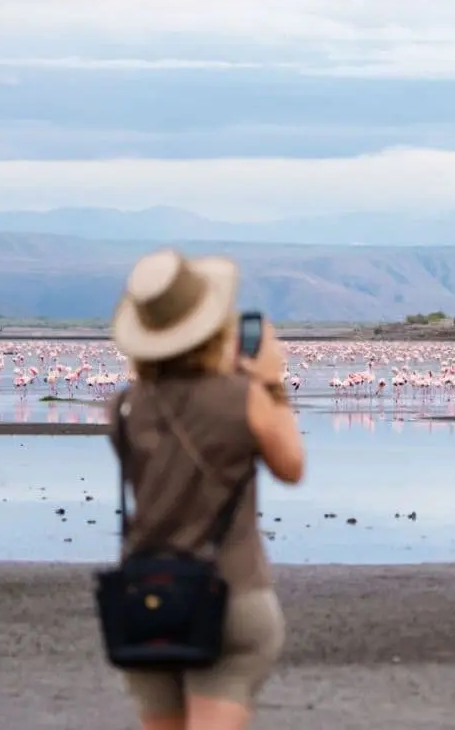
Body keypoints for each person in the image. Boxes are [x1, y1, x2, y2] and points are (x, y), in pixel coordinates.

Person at [106, 248, 306, 730]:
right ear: (214, 326)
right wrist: (271, 384)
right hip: (230, 592)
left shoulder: (124, 407)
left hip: (145, 596)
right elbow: (291, 466)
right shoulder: (244, 399)